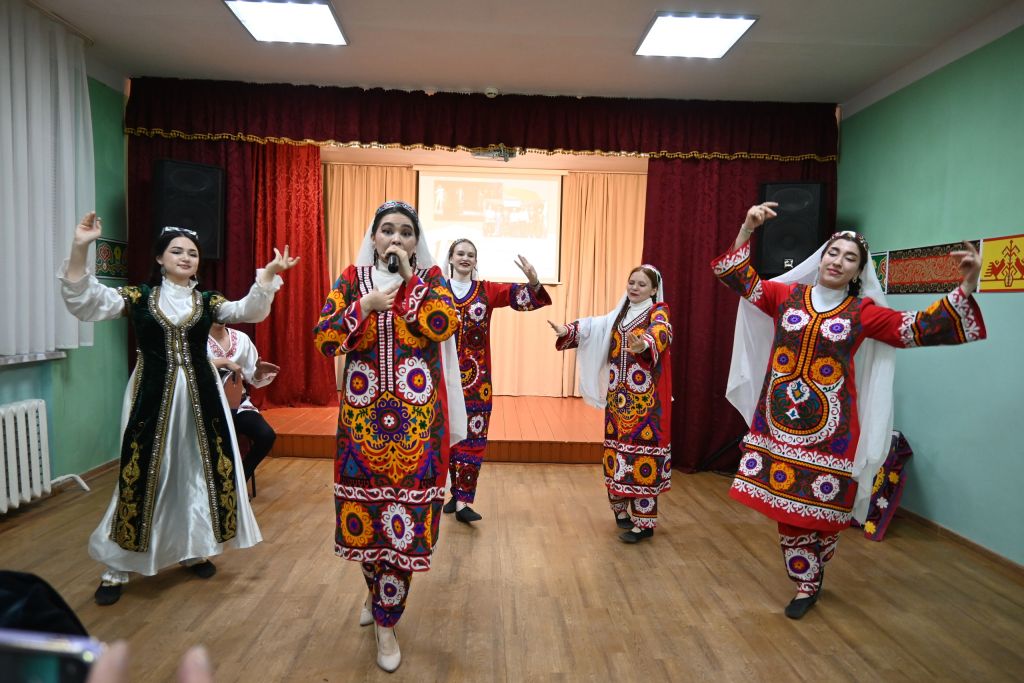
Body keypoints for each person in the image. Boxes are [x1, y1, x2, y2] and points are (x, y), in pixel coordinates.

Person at [711, 202, 986, 619]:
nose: (838, 261)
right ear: (821, 258)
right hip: (779, 426)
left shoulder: (862, 313)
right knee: (789, 512)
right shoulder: (786, 296)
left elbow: (913, 328)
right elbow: (737, 277)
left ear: (859, 271)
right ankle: (805, 584)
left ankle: (817, 560)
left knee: (826, 513)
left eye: (850, 258)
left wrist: (968, 284)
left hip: (833, 431)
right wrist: (747, 229)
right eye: (833, 253)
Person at [59, 212, 299, 607]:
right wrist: (81, 246)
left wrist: (269, 275)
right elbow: (85, 301)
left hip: (202, 401)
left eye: (192, 252)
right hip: (151, 398)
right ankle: (116, 566)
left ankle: (192, 548)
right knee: (142, 476)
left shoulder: (207, 302)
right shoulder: (139, 297)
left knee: (195, 473)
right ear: (159, 258)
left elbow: (247, 311)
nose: (186, 257)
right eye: (176, 251)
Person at [312, 200, 465, 673]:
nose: (395, 238)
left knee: (405, 527)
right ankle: (375, 593)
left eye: (405, 232)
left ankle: (386, 621)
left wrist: (410, 282)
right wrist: (364, 307)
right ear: (373, 236)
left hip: (417, 430)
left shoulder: (431, 280)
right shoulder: (351, 280)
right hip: (361, 429)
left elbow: (444, 323)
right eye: (387, 230)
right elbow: (323, 339)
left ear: (416, 241)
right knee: (368, 521)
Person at [548, 266, 673, 543]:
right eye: (631, 282)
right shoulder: (619, 315)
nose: (635, 288)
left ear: (654, 289)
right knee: (616, 453)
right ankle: (620, 512)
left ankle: (644, 523)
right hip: (617, 400)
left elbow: (661, 332)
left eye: (642, 284)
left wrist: (645, 344)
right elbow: (595, 327)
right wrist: (567, 330)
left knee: (641, 457)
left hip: (646, 403)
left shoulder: (658, 312)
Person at [442, 239, 551, 523]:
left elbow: (524, 298)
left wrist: (533, 280)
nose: (465, 258)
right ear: (450, 258)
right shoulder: (437, 290)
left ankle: (464, 502)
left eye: (471, 255)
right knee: (448, 439)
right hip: (442, 380)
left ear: (475, 261)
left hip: (477, 383)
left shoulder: (486, 290)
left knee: (473, 440)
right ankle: (455, 493)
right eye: (460, 253)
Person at [207, 322, 279, 490]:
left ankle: (238, 482)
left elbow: (253, 378)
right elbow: (190, 367)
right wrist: (222, 362)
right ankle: (213, 487)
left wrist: (258, 372)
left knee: (266, 436)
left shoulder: (241, 339)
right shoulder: (196, 337)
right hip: (208, 406)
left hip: (238, 404)